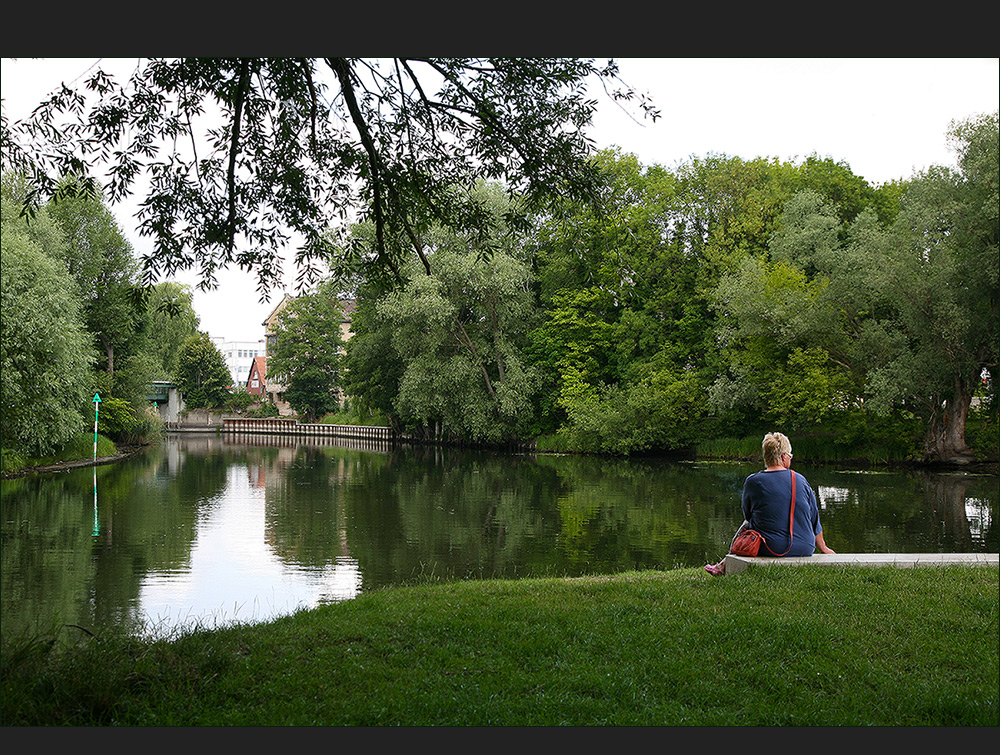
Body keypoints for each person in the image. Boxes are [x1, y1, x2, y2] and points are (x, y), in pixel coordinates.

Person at [705, 432, 835, 576]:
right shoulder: (801, 480)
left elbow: (748, 514)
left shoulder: (754, 481)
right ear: (784, 456)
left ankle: (724, 564)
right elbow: (814, 518)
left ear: (766, 457)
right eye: (790, 456)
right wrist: (823, 548)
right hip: (805, 547)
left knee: (747, 523)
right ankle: (723, 564)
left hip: (769, 548)